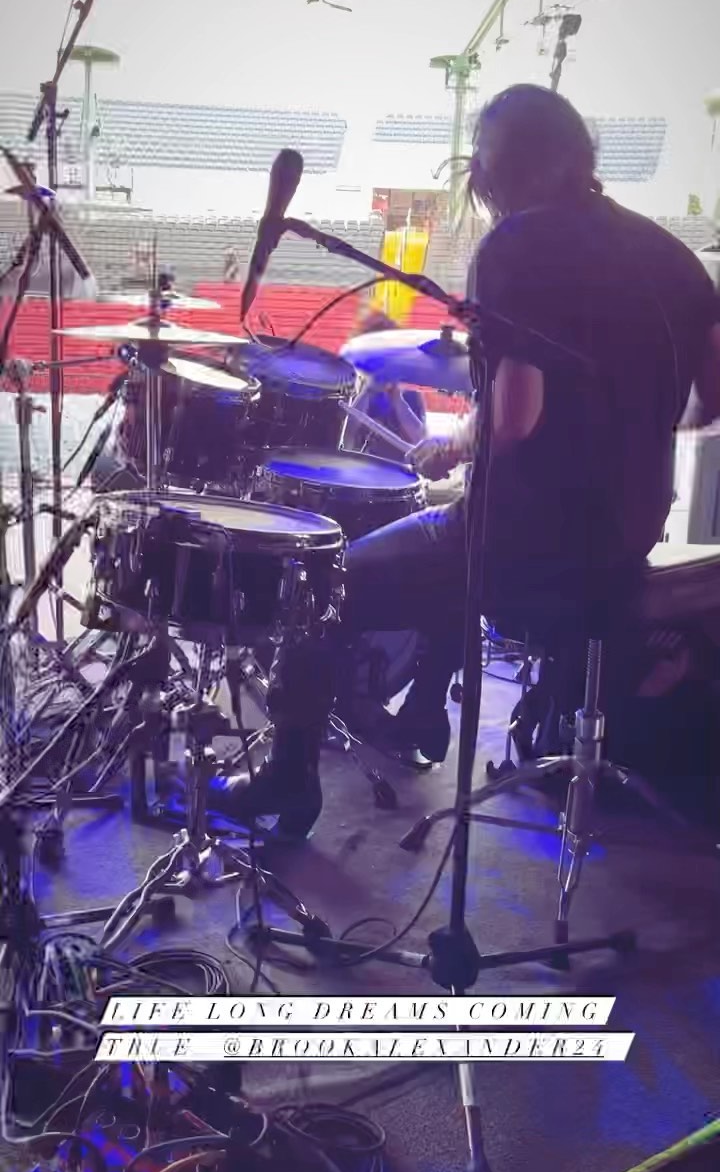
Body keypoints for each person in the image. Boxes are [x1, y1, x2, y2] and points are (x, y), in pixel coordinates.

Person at [223, 83, 720, 841]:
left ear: (497, 166)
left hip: (525, 544)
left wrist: (458, 441)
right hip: (626, 537)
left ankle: (288, 781)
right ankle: (424, 711)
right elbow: (710, 399)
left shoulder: (518, 245)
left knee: (321, 586)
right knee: (443, 538)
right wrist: (627, 425)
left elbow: (515, 416)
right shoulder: (674, 258)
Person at [340, 311, 428, 458]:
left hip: (398, 469)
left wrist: (398, 401)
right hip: (359, 467)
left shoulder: (411, 397)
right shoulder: (352, 395)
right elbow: (347, 436)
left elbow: (419, 441)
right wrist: (367, 393)